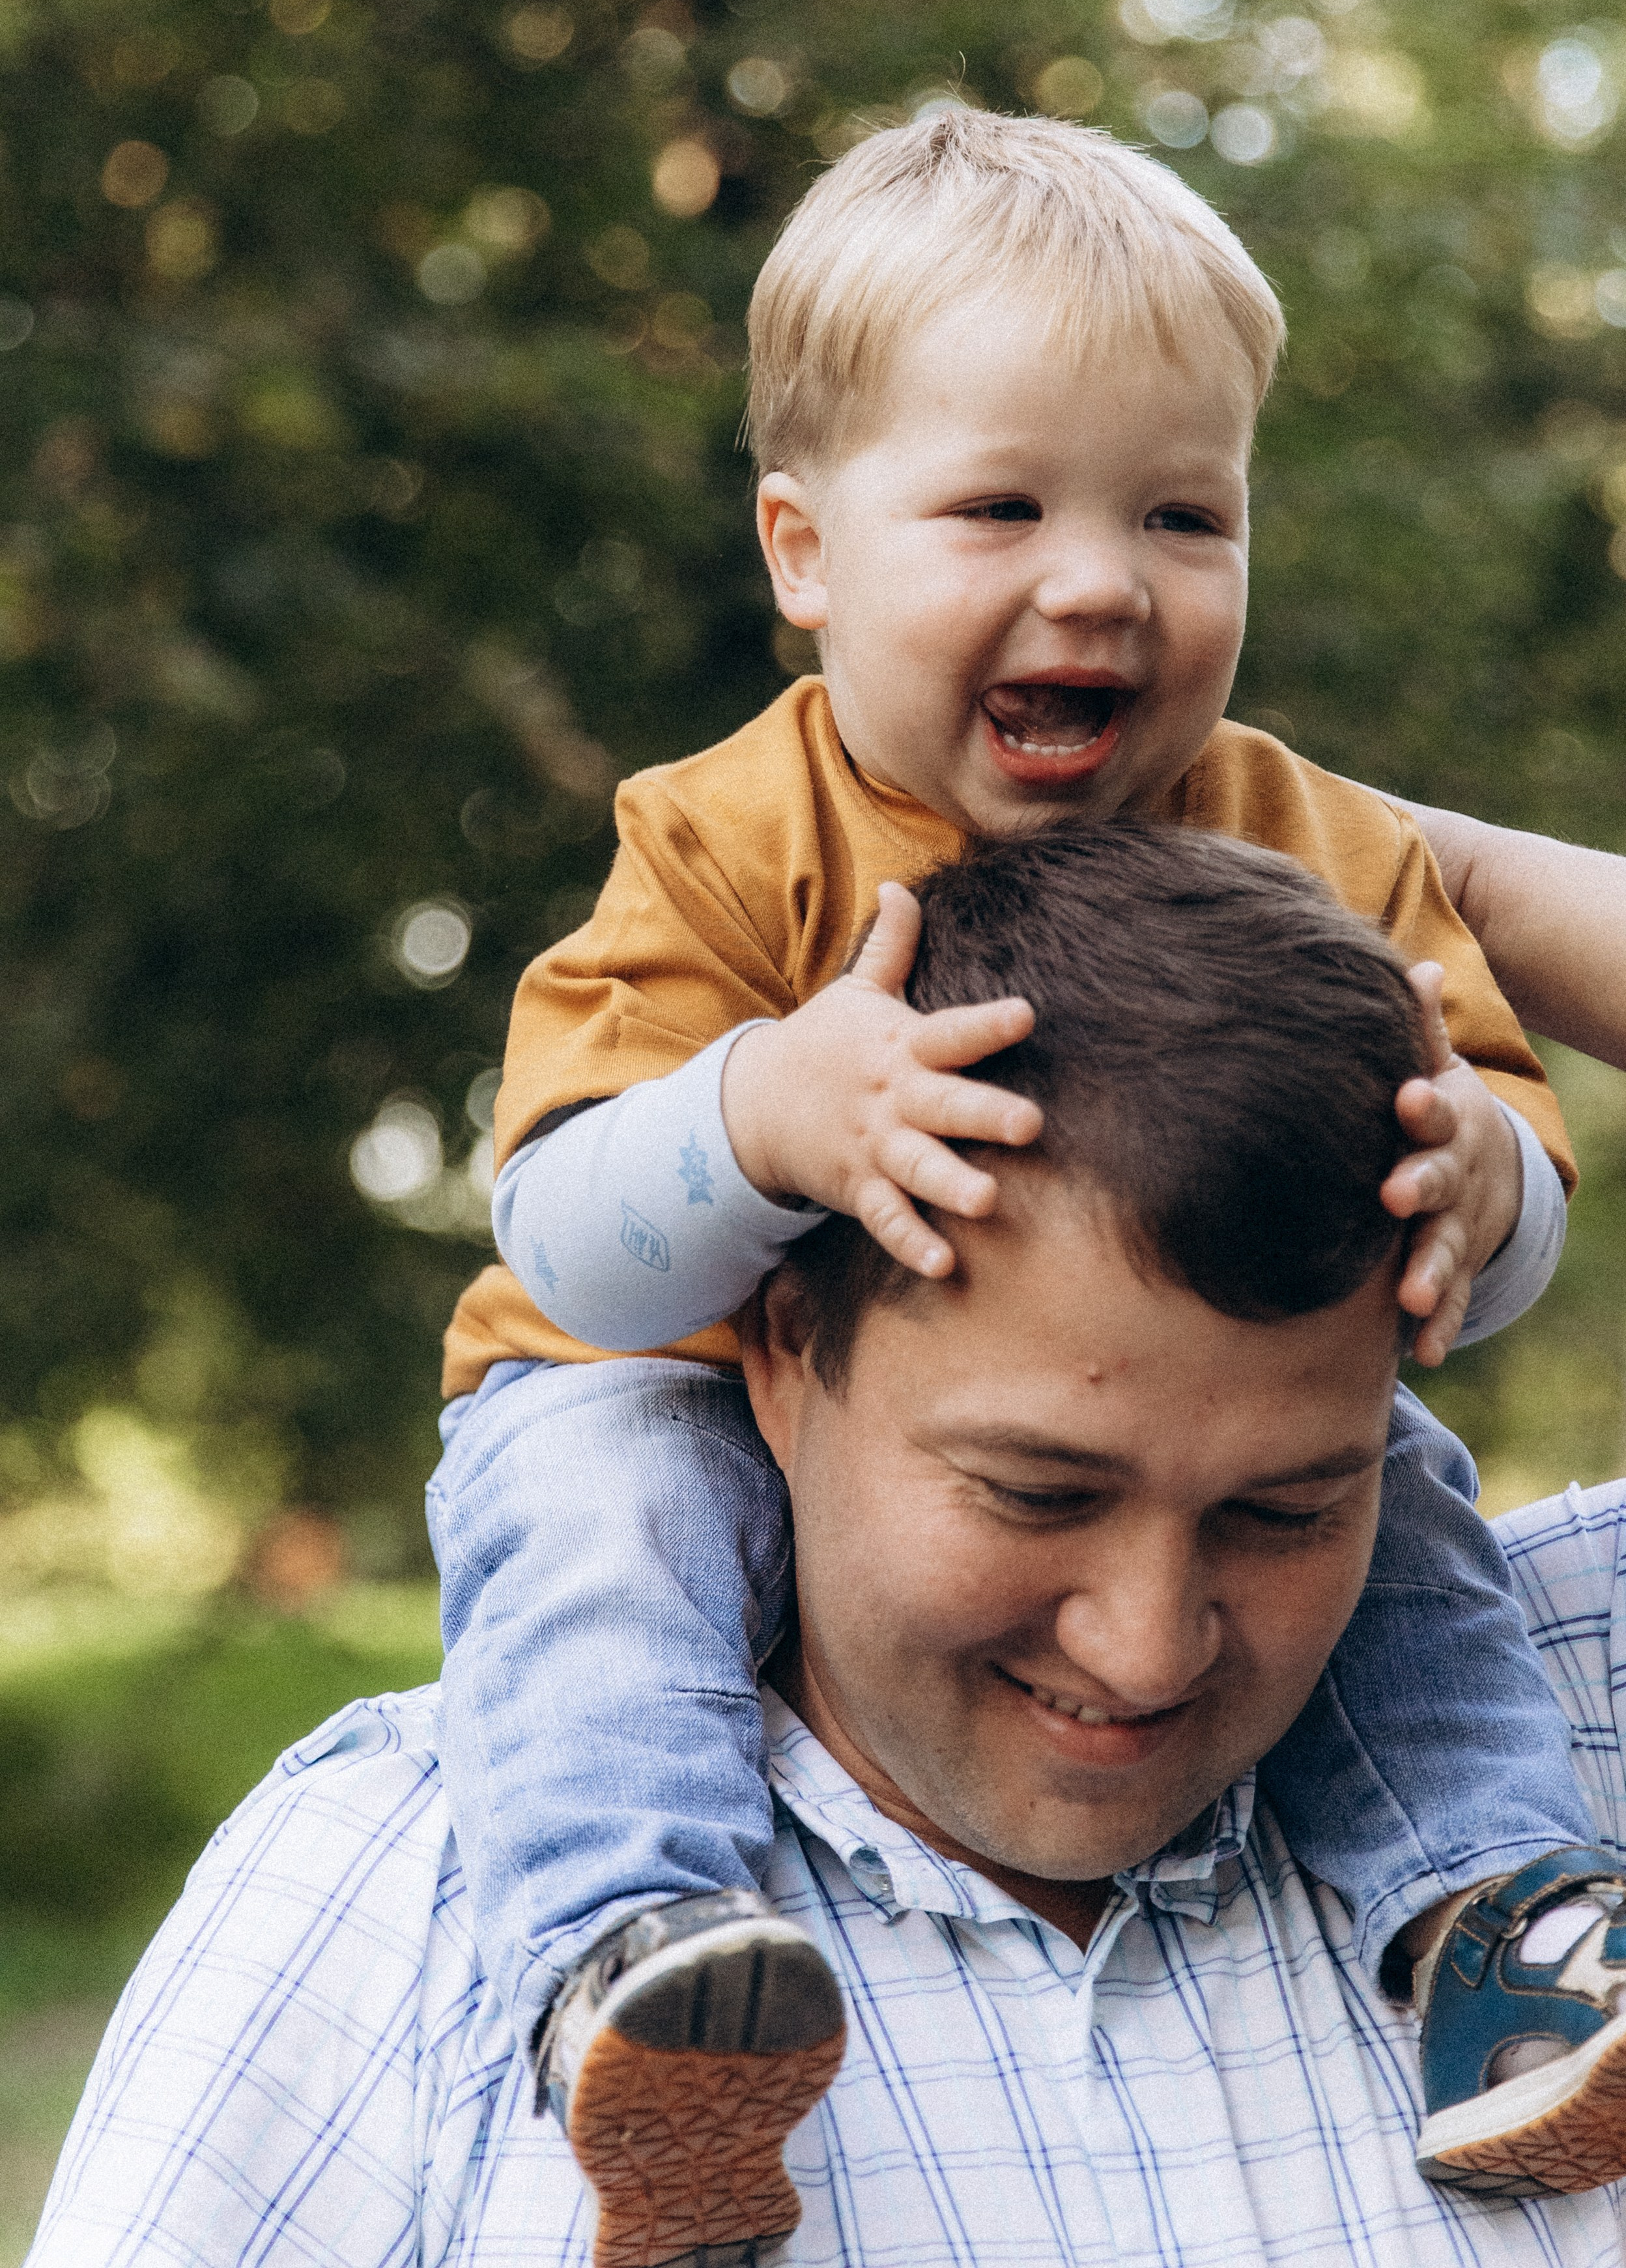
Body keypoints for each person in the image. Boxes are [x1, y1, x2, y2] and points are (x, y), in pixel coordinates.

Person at [430, 111, 1610, 2259]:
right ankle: (645, 1980)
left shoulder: (1301, 839)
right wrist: (760, 1115)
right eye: (999, 506)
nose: (1099, 580)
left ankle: (1494, 1925)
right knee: (593, 1526)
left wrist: (1476, 1187)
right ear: (802, 550)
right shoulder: (729, 835)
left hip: (1170, 1400)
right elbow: (562, 1238)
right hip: (657, 1368)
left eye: (1181, 513)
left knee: (1401, 1492)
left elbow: (1505, 1162)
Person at [29, 827, 1626, 2267]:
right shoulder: (386, 1911)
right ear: (787, 1353)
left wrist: (1421, 874)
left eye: (1290, 1511)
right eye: (1037, 1492)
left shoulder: (1567, 1726)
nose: (1145, 1646)